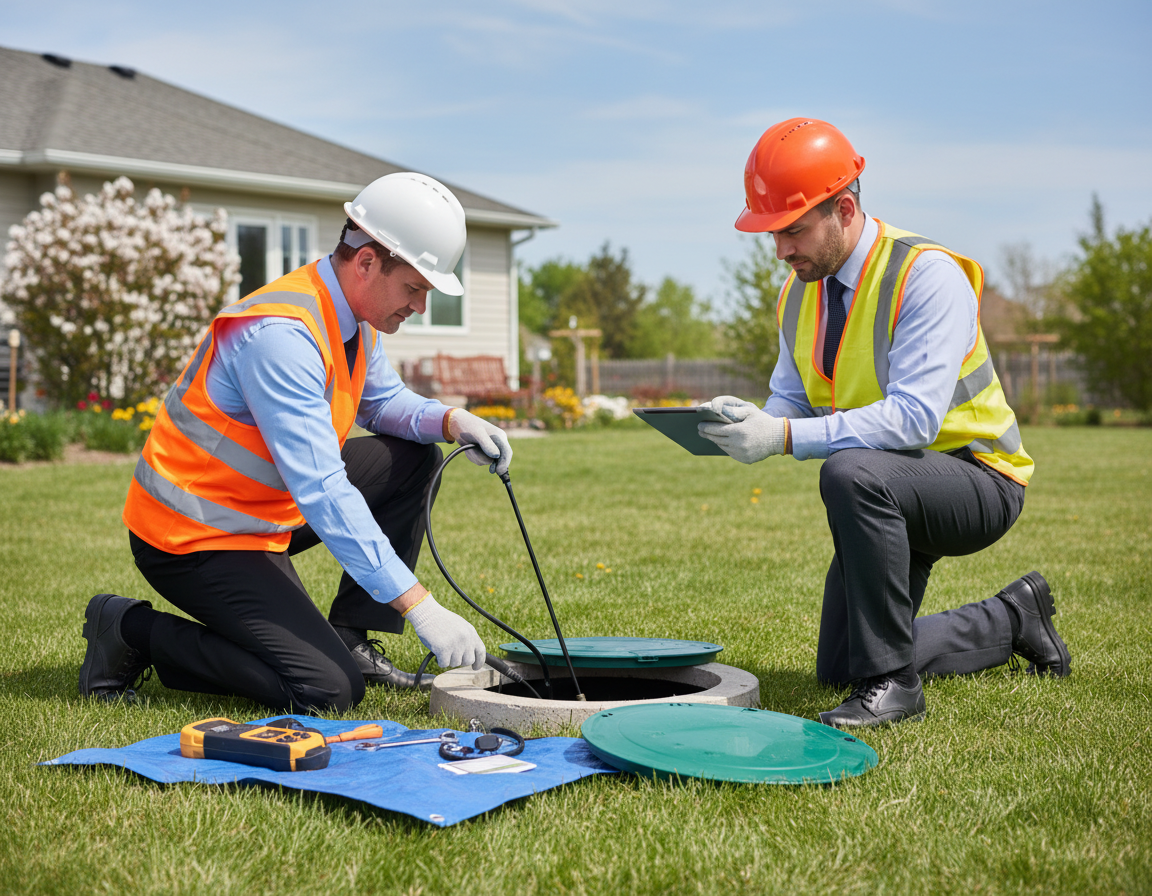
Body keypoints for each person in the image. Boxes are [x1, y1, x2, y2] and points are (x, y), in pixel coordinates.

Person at [78, 172, 510, 713]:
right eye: (415, 288)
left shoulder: (355, 316)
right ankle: (130, 629)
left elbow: (382, 405)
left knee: (412, 459)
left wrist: (451, 420)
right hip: (193, 537)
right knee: (326, 691)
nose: (419, 306)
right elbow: (324, 490)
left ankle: (351, 639)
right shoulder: (281, 336)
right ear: (368, 262)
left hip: (258, 514)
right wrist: (420, 606)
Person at [699, 119, 1070, 728]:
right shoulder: (800, 293)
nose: (781, 250)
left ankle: (893, 686)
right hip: (894, 482)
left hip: (978, 479)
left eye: (792, 230)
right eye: (771, 234)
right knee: (842, 664)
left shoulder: (926, 275)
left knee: (849, 473)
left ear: (844, 209)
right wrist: (755, 420)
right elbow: (791, 398)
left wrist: (784, 438)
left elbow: (915, 419)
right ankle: (1012, 617)